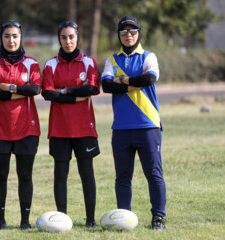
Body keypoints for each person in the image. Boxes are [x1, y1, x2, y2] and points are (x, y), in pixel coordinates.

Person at [101, 16, 166, 231]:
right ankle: (124, 218)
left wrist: (122, 80)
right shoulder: (112, 59)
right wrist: (133, 80)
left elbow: (149, 79)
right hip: (121, 128)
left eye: (132, 31)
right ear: (118, 34)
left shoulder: (149, 56)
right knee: (122, 177)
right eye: (123, 31)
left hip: (148, 125)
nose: (128, 35)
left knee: (154, 174)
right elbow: (106, 86)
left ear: (139, 33)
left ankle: (158, 218)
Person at [0, 21, 41, 230]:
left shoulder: (31, 63)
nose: (11, 40)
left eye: (15, 36)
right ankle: (1, 222)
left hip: (27, 129)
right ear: (1, 38)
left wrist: (10, 87)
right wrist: (20, 91)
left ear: (21, 37)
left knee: (25, 176)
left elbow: (35, 90)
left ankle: (25, 222)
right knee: (0, 176)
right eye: (7, 36)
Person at [42, 21, 100, 227]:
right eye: (64, 37)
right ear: (59, 38)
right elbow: (48, 93)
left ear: (78, 37)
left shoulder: (89, 63)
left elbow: (91, 89)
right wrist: (75, 95)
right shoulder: (50, 65)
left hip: (84, 128)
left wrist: (63, 91)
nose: (68, 41)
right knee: (60, 176)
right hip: (59, 129)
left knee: (87, 175)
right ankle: (61, 220)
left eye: (71, 37)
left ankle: (91, 220)